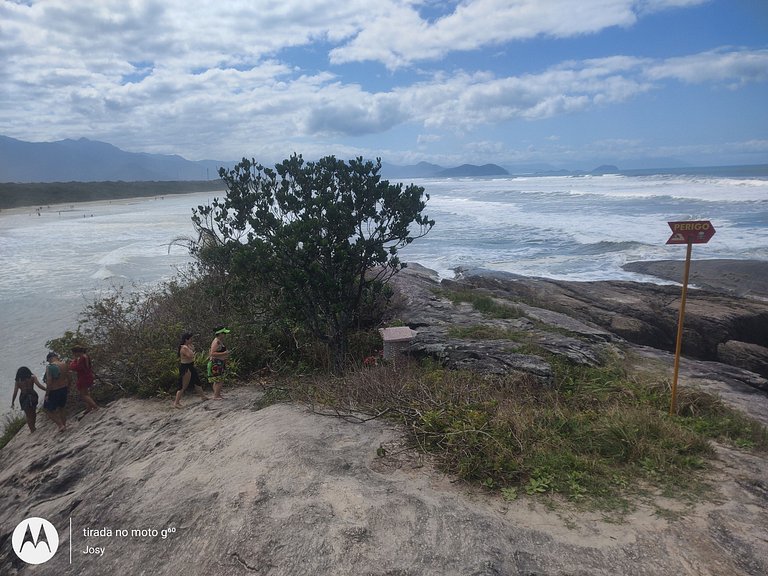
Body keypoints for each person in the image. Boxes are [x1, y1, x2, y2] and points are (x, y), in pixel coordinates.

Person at [173, 332, 209, 408]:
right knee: (183, 386)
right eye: (191, 338)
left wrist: (191, 349)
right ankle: (176, 402)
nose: (192, 340)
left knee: (197, 382)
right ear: (186, 339)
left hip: (191, 366)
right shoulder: (184, 348)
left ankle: (203, 396)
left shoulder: (187, 346)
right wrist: (191, 349)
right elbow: (190, 355)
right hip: (186, 367)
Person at [12, 366, 47, 433]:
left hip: (23, 397)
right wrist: (47, 390)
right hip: (32, 395)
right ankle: (33, 426)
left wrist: (12, 402)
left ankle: (32, 429)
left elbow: (15, 392)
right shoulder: (32, 377)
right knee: (33, 412)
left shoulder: (18, 381)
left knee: (28, 414)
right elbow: (39, 385)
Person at [69, 345, 99, 415]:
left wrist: (72, 363)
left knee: (83, 394)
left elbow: (77, 367)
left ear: (76, 352)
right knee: (86, 392)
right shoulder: (86, 356)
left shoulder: (82, 358)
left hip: (83, 377)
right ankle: (89, 407)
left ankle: (95, 407)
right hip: (88, 375)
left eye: (74, 353)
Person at [43, 351, 70, 432]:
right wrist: (68, 387)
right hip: (64, 388)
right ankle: (64, 425)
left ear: (49, 359)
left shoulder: (50, 367)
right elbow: (69, 377)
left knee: (47, 409)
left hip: (54, 390)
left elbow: (49, 381)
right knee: (62, 407)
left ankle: (60, 425)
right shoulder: (64, 364)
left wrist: (47, 394)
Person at [207, 327, 231, 400]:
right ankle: (216, 395)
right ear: (220, 334)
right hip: (216, 363)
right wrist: (224, 353)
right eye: (224, 333)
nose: (225, 335)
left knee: (218, 379)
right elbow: (212, 353)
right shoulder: (216, 341)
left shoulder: (219, 341)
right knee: (219, 380)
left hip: (220, 362)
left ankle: (217, 394)